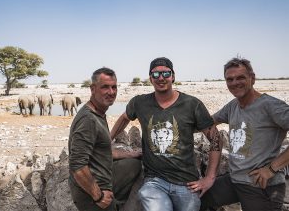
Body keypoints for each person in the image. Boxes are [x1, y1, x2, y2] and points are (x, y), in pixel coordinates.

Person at [111, 57, 222, 211]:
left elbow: (216, 137)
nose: (161, 78)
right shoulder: (140, 103)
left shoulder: (192, 104)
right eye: (156, 75)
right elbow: (124, 118)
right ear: (150, 78)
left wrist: (210, 177)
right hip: (154, 182)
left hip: (186, 183)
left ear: (173, 76)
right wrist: (107, 140)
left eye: (165, 73)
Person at [200, 58, 289, 211]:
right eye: (230, 79)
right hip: (235, 180)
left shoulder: (271, 106)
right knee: (196, 198)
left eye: (240, 77)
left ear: (252, 78)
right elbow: (207, 122)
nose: (235, 83)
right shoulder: (233, 105)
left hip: (261, 185)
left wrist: (271, 169)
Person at [68, 67, 142, 211]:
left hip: (102, 181)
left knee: (134, 164)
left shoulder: (98, 113)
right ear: (93, 89)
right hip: (92, 193)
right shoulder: (88, 120)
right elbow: (77, 165)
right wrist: (99, 197)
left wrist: (132, 154)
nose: (111, 92)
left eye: (114, 87)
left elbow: (103, 151)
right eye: (105, 87)